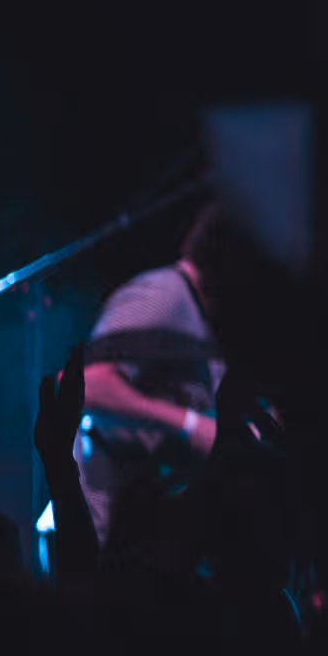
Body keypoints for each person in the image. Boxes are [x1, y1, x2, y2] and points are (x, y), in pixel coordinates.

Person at [73, 203, 229, 543]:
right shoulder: (162, 295)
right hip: (113, 528)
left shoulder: (207, 312)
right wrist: (190, 424)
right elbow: (87, 386)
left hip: (156, 524)